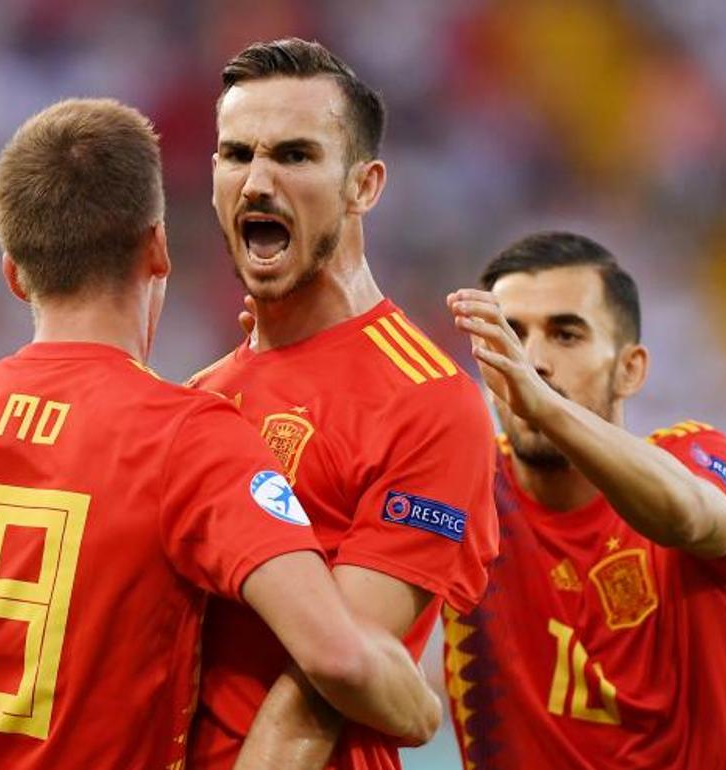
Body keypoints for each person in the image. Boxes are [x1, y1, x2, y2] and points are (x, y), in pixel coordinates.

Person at [0, 98, 442, 770]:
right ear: (157, 249)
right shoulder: (186, 438)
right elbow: (337, 655)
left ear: (13, 274)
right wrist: (418, 709)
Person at [185, 39, 498, 770]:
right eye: (237, 155)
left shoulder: (427, 403)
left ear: (365, 186)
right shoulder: (199, 397)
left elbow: (320, 691)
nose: (257, 182)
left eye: (294, 156)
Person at [443, 231, 726, 769]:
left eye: (566, 335)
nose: (533, 361)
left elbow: (690, 518)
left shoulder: (697, 457)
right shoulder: (459, 488)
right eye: (509, 334)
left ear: (630, 368)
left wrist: (544, 407)